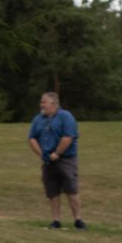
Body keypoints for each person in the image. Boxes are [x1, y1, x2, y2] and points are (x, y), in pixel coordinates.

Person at [28, 91, 83, 229]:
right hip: (47, 161)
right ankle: (56, 220)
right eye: (41, 102)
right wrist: (41, 153)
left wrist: (57, 153)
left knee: (71, 189)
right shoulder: (38, 119)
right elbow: (32, 138)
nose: (41, 105)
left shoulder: (65, 116)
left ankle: (78, 220)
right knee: (52, 191)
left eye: (43, 102)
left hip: (66, 159)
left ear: (53, 103)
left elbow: (68, 136)